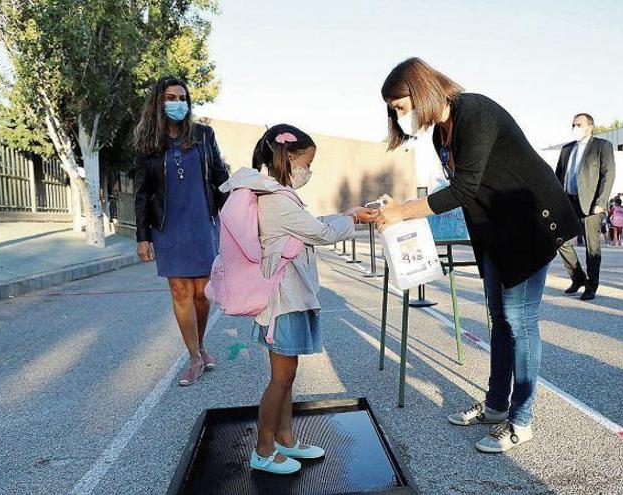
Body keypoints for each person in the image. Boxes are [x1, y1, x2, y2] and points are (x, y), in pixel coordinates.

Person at [375, 58, 580, 453]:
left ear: (420, 92)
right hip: (496, 235)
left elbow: (465, 189)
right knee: (499, 319)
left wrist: (403, 210)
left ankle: (522, 419)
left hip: (532, 225)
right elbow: (471, 199)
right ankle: (496, 407)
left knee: (519, 321)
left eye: (401, 107)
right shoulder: (440, 135)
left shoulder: (475, 111)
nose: (400, 117)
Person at [224, 124, 378, 475]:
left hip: (290, 297)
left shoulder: (277, 195)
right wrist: (350, 218)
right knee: (280, 378)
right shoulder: (276, 199)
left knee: (287, 377)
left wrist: (349, 215)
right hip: (283, 301)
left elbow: (309, 223)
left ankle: (286, 439)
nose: (308, 171)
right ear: (289, 157)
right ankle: (263, 450)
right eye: (307, 162)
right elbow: (320, 233)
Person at [133, 76, 230, 386]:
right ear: (159, 103)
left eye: (182, 98)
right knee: (180, 291)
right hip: (168, 226)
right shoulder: (148, 145)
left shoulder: (203, 135)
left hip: (201, 222)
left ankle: (201, 344)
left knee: (203, 293)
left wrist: (237, 213)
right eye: (171, 98)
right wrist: (143, 236)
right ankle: (194, 356)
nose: (178, 103)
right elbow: (142, 193)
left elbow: (220, 177)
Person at [555, 113, 616, 301]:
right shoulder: (567, 149)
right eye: (573, 124)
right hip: (568, 201)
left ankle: (592, 285)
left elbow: (608, 174)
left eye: (579, 124)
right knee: (559, 239)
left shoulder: (601, 146)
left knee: (592, 247)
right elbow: (557, 176)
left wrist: (601, 202)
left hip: (591, 205)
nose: (575, 128)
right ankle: (578, 277)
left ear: (590, 127)